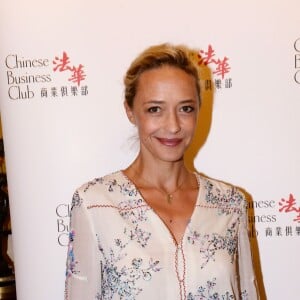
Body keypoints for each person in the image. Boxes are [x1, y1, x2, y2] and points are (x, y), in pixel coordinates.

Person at [64, 43, 259, 300]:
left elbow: (247, 291)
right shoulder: (95, 204)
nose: (173, 125)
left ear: (199, 110)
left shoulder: (230, 203)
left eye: (185, 108)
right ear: (130, 112)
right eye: (155, 109)